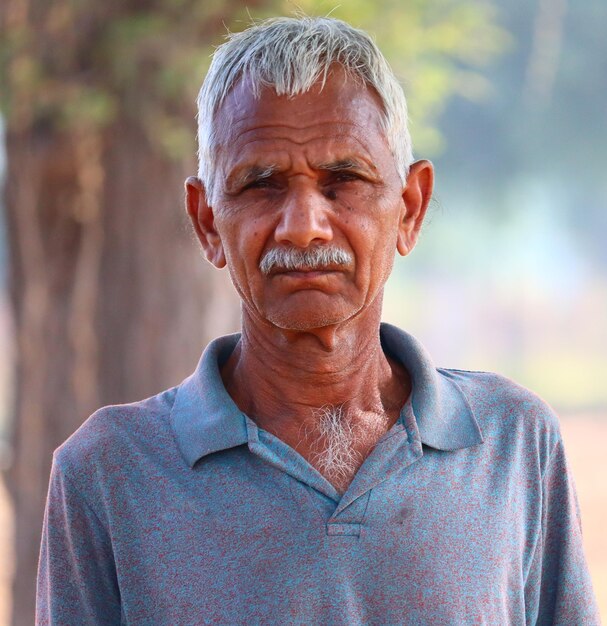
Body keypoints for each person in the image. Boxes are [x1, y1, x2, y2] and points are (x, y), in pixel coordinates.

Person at [36, 16, 599, 625]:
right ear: (206, 222)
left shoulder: (512, 444)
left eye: (344, 180)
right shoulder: (109, 473)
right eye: (260, 183)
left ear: (410, 207)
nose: (303, 225)